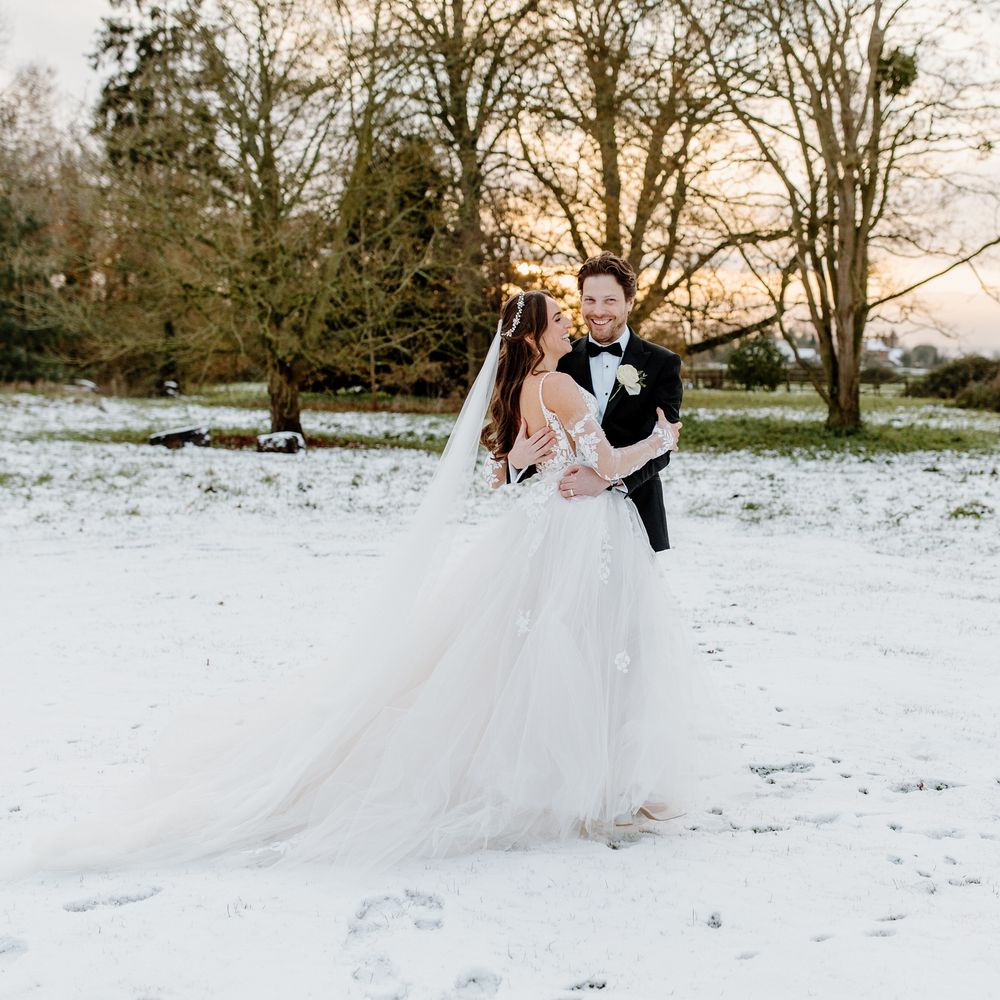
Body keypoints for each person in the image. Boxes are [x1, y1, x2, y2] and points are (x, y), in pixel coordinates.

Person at [2, 286, 732, 882]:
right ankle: (582, 784)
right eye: (563, 316)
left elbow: (510, 467)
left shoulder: (523, 389)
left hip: (539, 532)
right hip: (577, 535)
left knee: (526, 660)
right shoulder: (566, 386)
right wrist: (660, 441)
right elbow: (603, 466)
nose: (575, 321)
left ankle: (559, 777)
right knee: (573, 654)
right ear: (538, 333)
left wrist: (519, 457)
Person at [504, 251, 682, 552]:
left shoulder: (663, 363)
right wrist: (516, 462)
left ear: (630, 302)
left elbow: (663, 449)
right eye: (589, 300)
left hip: (634, 510)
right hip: (566, 516)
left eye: (609, 300)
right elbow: (542, 437)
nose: (598, 311)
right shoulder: (558, 358)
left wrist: (607, 480)